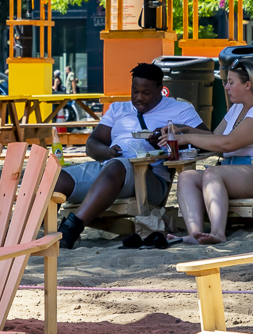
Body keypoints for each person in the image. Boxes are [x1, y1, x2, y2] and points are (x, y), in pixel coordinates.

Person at [55, 62, 206, 249]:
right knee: (56, 177)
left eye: (146, 93)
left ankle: (71, 229)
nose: (139, 98)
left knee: (116, 166)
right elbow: (91, 145)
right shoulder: (119, 109)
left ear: (161, 89)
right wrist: (107, 151)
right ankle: (45, 233)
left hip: (150, 179)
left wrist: (176, 137)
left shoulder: (180, 110)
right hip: (108, 170)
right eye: (135, 91)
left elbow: (208, 141)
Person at [158, 60, 253, 245]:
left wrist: (187, 139)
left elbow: (228, 144)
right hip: (233, 173)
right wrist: (185, 130)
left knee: (212, 172)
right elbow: (215, 137)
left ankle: (218, 233)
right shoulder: (236, 108)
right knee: (187, 177)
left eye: (231, 82)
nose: (226, 87)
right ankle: (195, 233)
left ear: (248, 85)